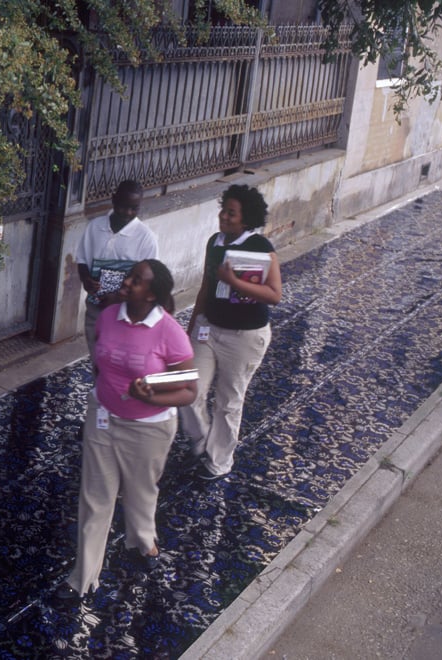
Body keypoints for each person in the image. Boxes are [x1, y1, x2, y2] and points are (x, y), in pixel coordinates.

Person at [57, 259, 197, 602]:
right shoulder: (108, 316)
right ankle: (83, 577)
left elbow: (189, 390)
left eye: (136, 280)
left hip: (149, 429)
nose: (126, 282)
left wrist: (148, 395)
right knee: (95, 498)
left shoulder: (169, 332)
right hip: (103, 418)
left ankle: (143, 539)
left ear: (151, 294)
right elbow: (102, 362)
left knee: (139, 491)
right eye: (129, 275)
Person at [179, 184, 282, 481]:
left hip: (245, 337)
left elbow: (274, 294)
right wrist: (192, 326)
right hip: (208, 329)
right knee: (189, 388)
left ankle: (219, 461)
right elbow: (205, 288)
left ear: (246, 219)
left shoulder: (261, 247)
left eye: (231, 213)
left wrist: (234, 281)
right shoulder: (215, 242)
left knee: (228, 402)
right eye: (223, 210)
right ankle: (201, 438)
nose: (224, 216)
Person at [76, 180, 158, 362]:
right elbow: (82, 259)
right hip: (96, 309)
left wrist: (118, 297)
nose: (127, 213)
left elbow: (150, 281)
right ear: (114, 200)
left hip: (127, 313)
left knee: (119, 360)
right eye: (123, 206)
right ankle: (100, 389)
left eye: (134, 208)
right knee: (97, 358)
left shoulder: (146, 238)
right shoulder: (95, 227)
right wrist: (86, 280)